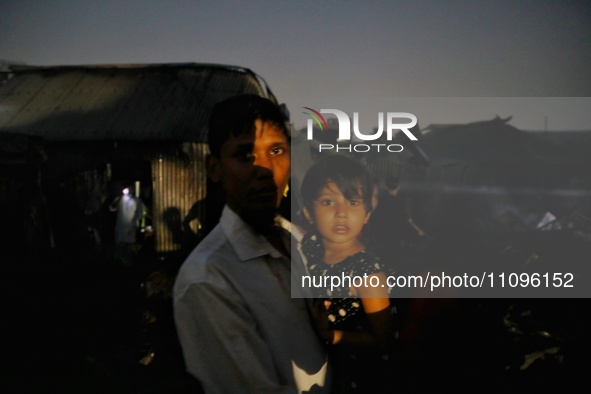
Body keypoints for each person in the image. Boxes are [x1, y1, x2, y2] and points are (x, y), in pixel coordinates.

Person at [173, 94, 330, 393]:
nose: (266, 169)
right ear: (215, 168)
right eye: (245, 155)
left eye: (276, 151)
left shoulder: (296, 240)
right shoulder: (207, 280)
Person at [299, 154, 396, 393]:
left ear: (367, 214)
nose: (341, 212)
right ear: (308, 212)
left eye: (352, 202)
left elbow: (382, 337)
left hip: (354, 378)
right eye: (328, 202)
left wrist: (331, 335)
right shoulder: (307, 249)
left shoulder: (365, 270)